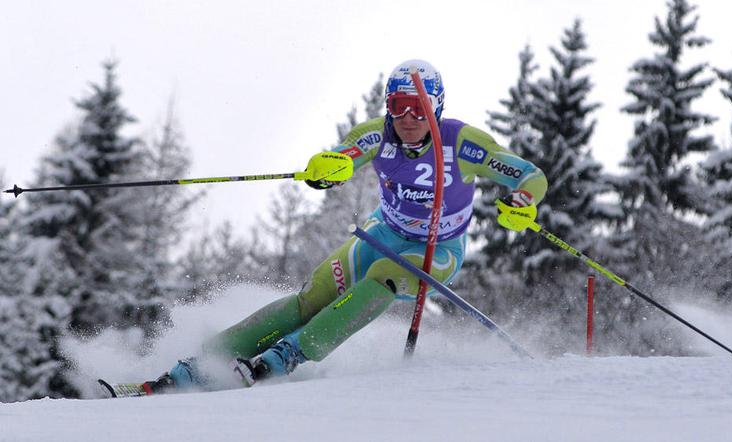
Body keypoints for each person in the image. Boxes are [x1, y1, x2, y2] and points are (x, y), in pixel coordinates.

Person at [145, 59, 548, 393]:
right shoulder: (378, 134)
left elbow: (528, 174)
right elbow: (343, 156)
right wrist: (327, 170)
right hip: (382, 234)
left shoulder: (463, 143)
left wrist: (523, 200)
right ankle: (205, 360)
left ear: (436, 108)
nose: (407, 118)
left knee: (384, 278)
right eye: (398, 106)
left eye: (418, 108)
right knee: (311, 298)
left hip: (434, 250)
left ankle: (289, 355)